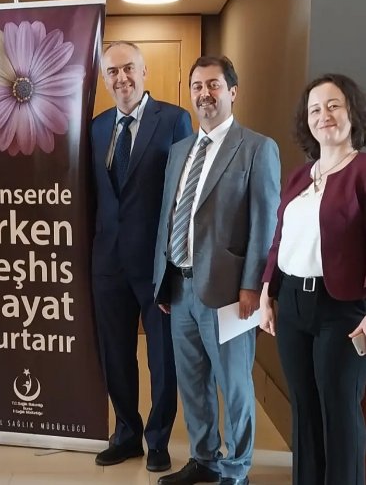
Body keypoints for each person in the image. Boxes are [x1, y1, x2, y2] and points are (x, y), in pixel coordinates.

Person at [153, 56, 280, 485]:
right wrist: (163, 280)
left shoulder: (257, 148)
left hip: (230, 293)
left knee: (234, 384)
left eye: (213, 85)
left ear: (232, 92)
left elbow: (265, 224)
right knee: (192, 382)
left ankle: (237, 468)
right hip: (180, 287)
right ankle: (204, 459)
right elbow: (168, 217)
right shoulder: (180, 151)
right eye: (197, 86)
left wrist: (252, 287)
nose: (204, 93)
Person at [259, 73, 366, 485]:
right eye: (315, 109)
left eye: (333, 105)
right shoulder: (301, 175)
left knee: (339, 412)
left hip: (343, 311)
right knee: (304, 411)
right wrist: (267, 291)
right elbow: (280, 237)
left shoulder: (361, 171)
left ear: (352, 112)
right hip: (293, 307)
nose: (324, 115)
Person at [90, 41, 192, 472]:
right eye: (112, 72)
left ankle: (158, 439)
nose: (121, 78)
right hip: (108, 263)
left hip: (156, 264)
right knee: (115, 354)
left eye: (128, 68)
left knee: (162, 358)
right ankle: (126, 433)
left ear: (144, 71)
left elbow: (185, 195)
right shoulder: (97, 127)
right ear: (105, 79)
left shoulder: (174, 119)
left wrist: (176, 261)